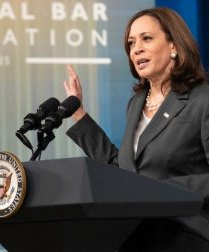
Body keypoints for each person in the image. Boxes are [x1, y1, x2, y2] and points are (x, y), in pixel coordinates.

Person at [63, 7, 209, 252]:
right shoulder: (136, 104)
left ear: (174, 45)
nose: (136, 49)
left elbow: (147, 185)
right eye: (131, 43)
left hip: (187, 234)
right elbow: (125, 175)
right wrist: (79, 114)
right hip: (138, 234)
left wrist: (164, 191)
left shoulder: (202, 99)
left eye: (147, 38)